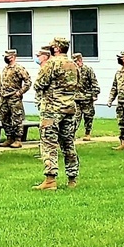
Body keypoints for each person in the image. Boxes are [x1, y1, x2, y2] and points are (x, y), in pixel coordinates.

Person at [32, 37, 81, 190]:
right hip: (69, 108)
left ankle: (50, 179)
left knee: (49, 143)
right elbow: (77, 84)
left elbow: (39, 83)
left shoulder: (52, 63)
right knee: (68, 144)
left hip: (52, 109)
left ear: (57, 48)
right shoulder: (74, 64)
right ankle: (72, 178)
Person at [0, 49, 32, 148]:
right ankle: (9, 138)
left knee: (16, 118)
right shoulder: (5, 68)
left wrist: (20, 92)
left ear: (13, 57)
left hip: (14, 97)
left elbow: (28, 82)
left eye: (7, 56)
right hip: (5, 97)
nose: (6, 58)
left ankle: (18, 139)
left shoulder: (19, 68)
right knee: (5, 118)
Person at [106, 52, 124, 150]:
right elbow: (114, 87)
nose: (120, 59)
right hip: (121, 101)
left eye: (121, 58)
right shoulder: (118, 73)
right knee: (122, 123)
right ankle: (123, 143)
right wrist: (110, 99)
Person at [72, 52, 100, 142]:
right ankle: (72, 134)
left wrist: (95, 94)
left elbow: (94, 82)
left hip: (87, 97)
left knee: (88, 116)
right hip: (75, 98)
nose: (75, 63)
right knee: (75, 117)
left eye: (76, 61)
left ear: (80, 60)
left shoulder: (88, 69)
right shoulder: (72, 70)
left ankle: (87, 133)